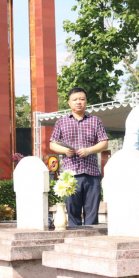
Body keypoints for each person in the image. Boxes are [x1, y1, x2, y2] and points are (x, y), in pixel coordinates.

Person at [49, 87, 109, 226]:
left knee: (92, 213)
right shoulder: (61, 122)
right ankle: (73, 241)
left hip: (91, 173)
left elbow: (104, 143)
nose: (78, 102)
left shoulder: (95, 121)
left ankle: (91, 243)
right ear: (69, 103)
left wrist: (89, 150)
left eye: (82, 99)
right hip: (71, 174)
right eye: (75, 100)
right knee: (72, 213)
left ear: (86, 102)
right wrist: (64, 150)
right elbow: (52, 144)